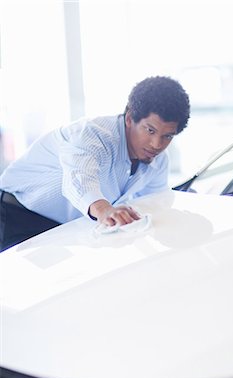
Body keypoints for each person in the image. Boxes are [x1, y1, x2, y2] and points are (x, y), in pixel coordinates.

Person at [0, 76, 190, 251]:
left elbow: (154, 206)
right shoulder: (92, 135)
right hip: (14, 215)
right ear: (130, 118)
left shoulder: (158, 162)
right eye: (150, 130)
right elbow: (79, 179)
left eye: (167, 136)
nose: (156, 144)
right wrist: (105, 210)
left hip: (66, 230)